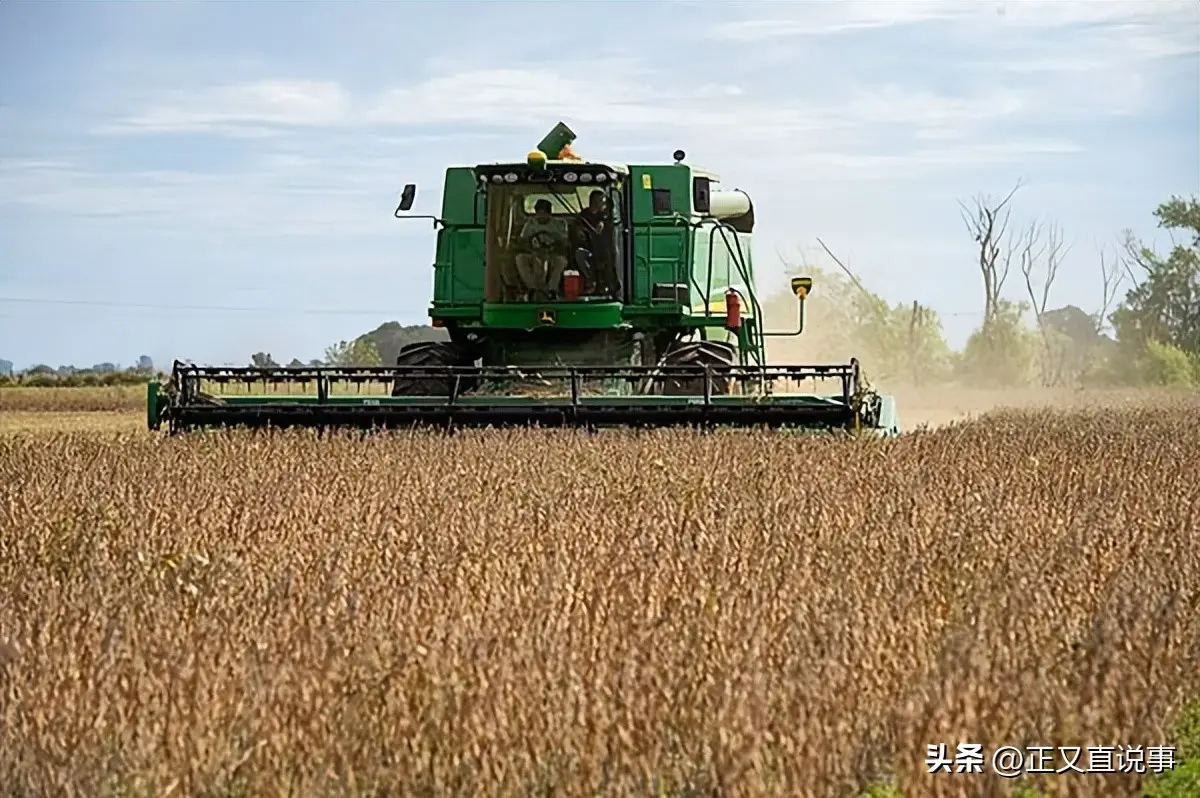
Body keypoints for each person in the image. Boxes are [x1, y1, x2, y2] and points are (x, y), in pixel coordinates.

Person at [514, 199, 569, 300]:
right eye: (539, 213)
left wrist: (553, 247)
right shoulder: (530, 224)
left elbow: (565, 243)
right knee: (520, 258)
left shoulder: (559, 224)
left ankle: (552, 290)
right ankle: (532, 289)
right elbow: (522, 241)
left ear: (549, 214)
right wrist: (533, 249)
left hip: (553, 254)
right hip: (533, 253)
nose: (541, 216)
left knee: (561, 262)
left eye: (543, 214)